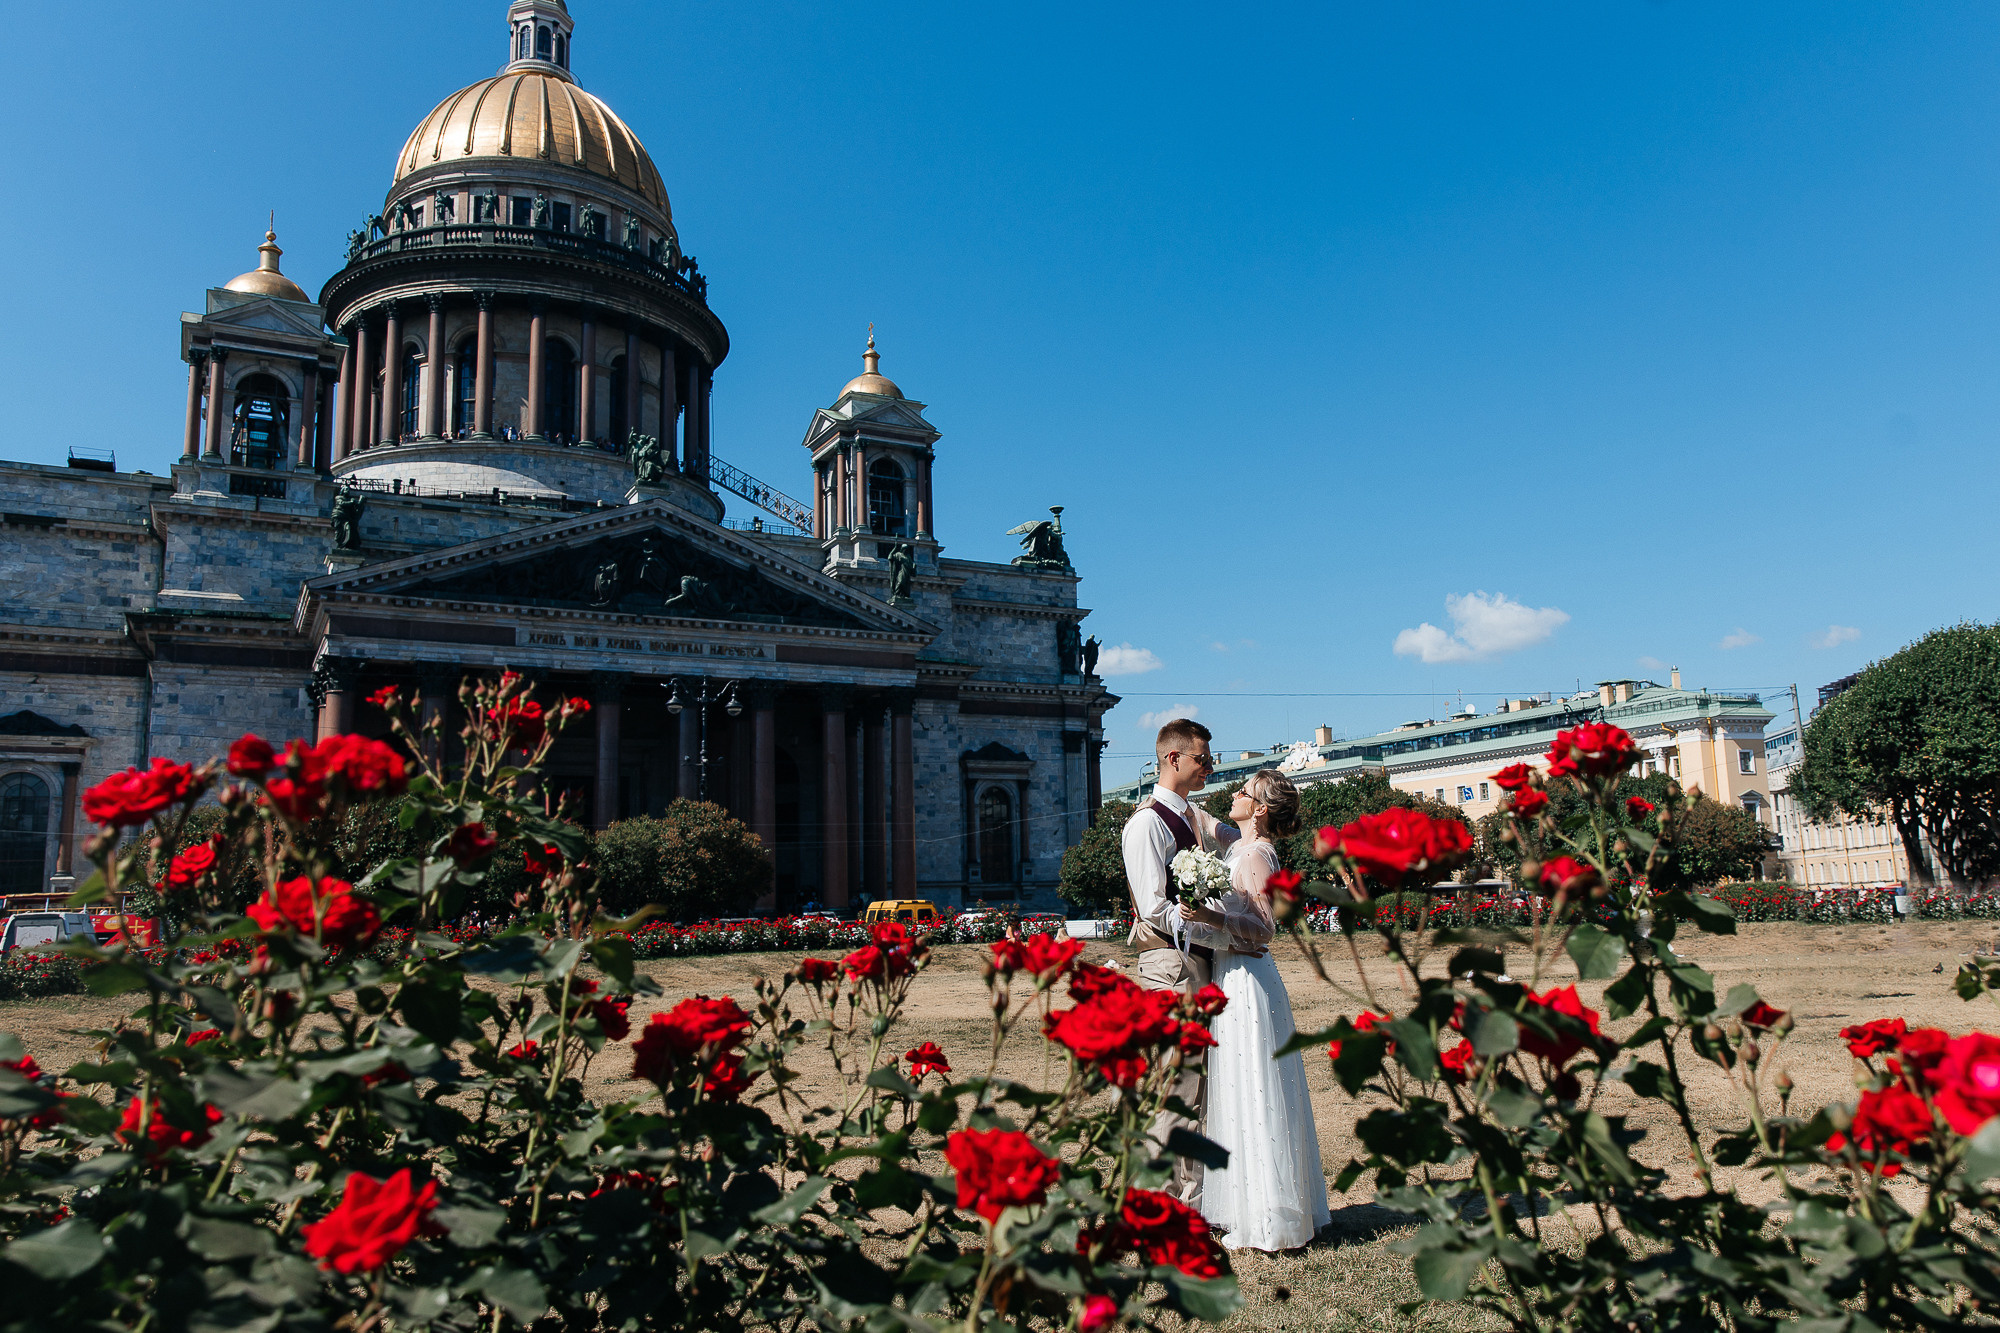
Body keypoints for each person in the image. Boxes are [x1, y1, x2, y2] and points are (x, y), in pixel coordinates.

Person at [1182, 768, 1329, 1251]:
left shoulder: (1258, 854)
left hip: (1249, 982)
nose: (1234, 794)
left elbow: (1265, 929)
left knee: (1256, 1087)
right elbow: (1212, 823)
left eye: (1243, 791)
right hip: (1232, 974)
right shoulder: (1240, 845)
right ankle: (1253, 1207)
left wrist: (1208, 915)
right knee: (1240, 1089)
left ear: (1260, 809)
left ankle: (1270, 1215)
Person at [1121, 718, 1240, 1208]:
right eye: (1203, 760)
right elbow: (1152, 905)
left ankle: (1192, 1194)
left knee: (1198, 1083)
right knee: (1176, 1082)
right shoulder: (1147, 822)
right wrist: (1212, 924)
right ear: (1173, 759)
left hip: (1196, 959)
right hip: (1170, 962)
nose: (1210, 768)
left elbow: (1236, 840)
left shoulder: (1191, 816)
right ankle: (1157, 1198)